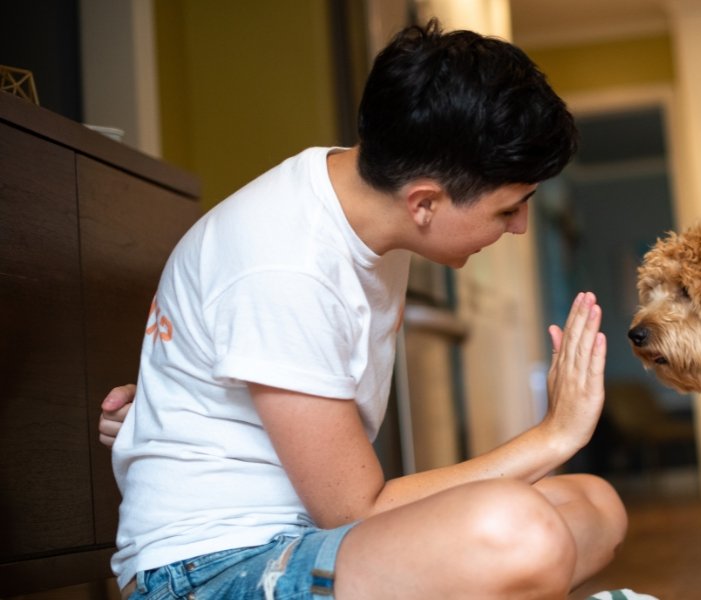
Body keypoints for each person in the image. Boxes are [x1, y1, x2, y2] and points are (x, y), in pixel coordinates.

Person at [99, 20, 636, 600]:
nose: (519, 226)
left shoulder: (359, 209)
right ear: (425, 202)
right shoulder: (285, 260)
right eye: (508, 209)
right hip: (212, 572)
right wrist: (554, 435)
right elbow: (356, 509)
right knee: (521, 532)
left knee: (591, 508)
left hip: (309, 540)